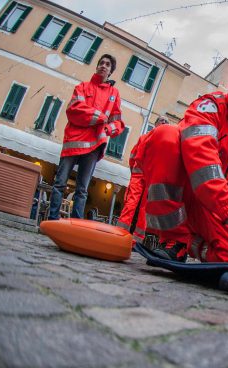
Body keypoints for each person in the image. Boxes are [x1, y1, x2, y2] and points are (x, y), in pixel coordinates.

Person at [143, 58, 228, 262]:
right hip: (190, 197)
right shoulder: (208, 106)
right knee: (165, 134)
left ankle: (194, 244)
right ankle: (174, 240)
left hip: (219, 207)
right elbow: (203, 163)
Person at [48, 54, 124, 220]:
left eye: (108, 65)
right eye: (101, 63)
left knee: (82, 190)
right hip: (73, 142)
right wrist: (102, 117)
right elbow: (74, 110)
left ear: (110, 71)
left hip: (94, 145)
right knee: (60, 183)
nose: (103, 66)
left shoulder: (114, 93)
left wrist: (108, 128)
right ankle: (52, 221)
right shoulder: (82, 87)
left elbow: (118, 122)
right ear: (96, 67)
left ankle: (75, 226)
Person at [116, 116, 169, 243]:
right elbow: (133, 157)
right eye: (162, 120)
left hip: (148, 178)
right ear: (155, 124)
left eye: (166, 121)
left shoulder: (150, 139)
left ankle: (135, 239)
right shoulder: (155, 140)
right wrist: (135, 172)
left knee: (143, 208)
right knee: (133, 204)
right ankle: (122, 233)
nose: (164, 122)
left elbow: (132, 158)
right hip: (141, 176)